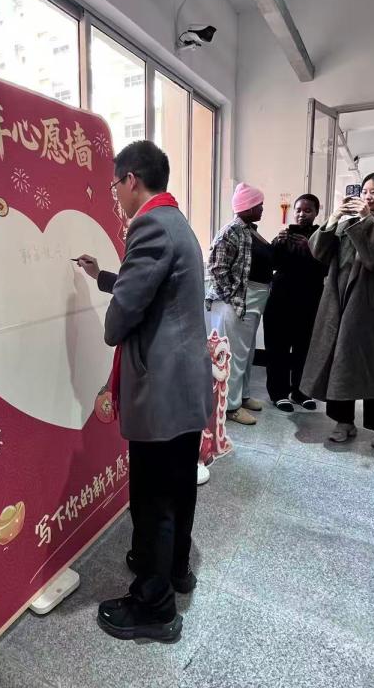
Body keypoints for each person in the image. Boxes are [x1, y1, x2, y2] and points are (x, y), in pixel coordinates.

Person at [75, 140, 213, 642]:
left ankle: (154, 608)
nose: (114, 194)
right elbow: (155, 287)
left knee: (153, 498)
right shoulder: (176, 221)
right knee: (177, 487)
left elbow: (123, 318)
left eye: (115, 184)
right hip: (183, 388)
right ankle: (174, 569)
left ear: (131, 179)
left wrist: (111, 318)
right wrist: (103, 277)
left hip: (160, 392)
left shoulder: (149, 225)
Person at [300, 172, 374, 449]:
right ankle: (343, 421)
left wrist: (365, 220)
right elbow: (318, 252)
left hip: (372, 304)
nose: (367, 197)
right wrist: (333, 218)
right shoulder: (347, 222)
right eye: (364, 191)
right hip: (338, 301)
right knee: (340, 359)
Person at [205, 183, 272, 426]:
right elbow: (217, 269)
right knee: (233, 355)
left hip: (251, 302)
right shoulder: (231, 231)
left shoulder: (249, 230)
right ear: (248, 207)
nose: (262, 209)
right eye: (259, 205)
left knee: (246, 352)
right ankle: (230, 407)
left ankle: (242, 396)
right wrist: (233, 298)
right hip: (237, 303)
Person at [264, 193, 327, 412]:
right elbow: (272, 264)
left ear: (316, 212)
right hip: (281, 300)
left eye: (307, 210)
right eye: (298, 210)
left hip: (309, 300)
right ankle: (278, 393)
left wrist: (311, 248)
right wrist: (276, 244)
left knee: (304, 348)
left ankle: (300, 392)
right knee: (277, 347)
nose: (301, 214)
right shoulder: (285, 235)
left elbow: (327, 268)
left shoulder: (323, 237)